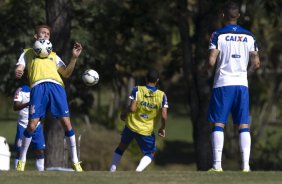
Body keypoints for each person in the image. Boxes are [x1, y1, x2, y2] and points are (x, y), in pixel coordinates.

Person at [14, 25, 83, 172]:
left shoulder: (54, 55)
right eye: (43, 33)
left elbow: (66, 73)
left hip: (56, 87)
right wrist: (19, 71)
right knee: (32, 125)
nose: (45, 35)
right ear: (35, 36)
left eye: (48, 34)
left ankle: (76, 162)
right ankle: (22, 160)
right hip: (38, 87)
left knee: (67, 123)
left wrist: (74, 58)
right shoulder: (27, 53)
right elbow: (20, 67)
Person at [204, 1, 260, 172]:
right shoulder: (250, 36)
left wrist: (204, 70)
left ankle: (217, 166)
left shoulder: (218, 35)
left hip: (223, 83)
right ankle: (246, 166)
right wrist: (245, 72)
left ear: (223, 15)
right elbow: (256, 63)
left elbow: (211, 60)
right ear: (238, 16)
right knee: (243, 125)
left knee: (219, 123)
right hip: (242, 84)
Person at [109, 68, 168, 172]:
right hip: (146, 131)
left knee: (121, 147)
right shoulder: (162, 96)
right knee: (150, 153)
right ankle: (138, 171)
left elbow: (132, 108)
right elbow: (164, 115)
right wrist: (162, 128)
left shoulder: (137, 89)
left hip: (131, 126)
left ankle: (112, 170)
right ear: (157, 80)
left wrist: (124, 114)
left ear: (146, 78)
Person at [13, 84, 45, 171]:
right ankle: (17, 173)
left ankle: (41, 173)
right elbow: (15, 106)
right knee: (20, 150)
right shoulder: (21, 89)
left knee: (40, 150)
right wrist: (29, 103)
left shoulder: (41, 89)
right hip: (23, 125)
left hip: (37, 125)